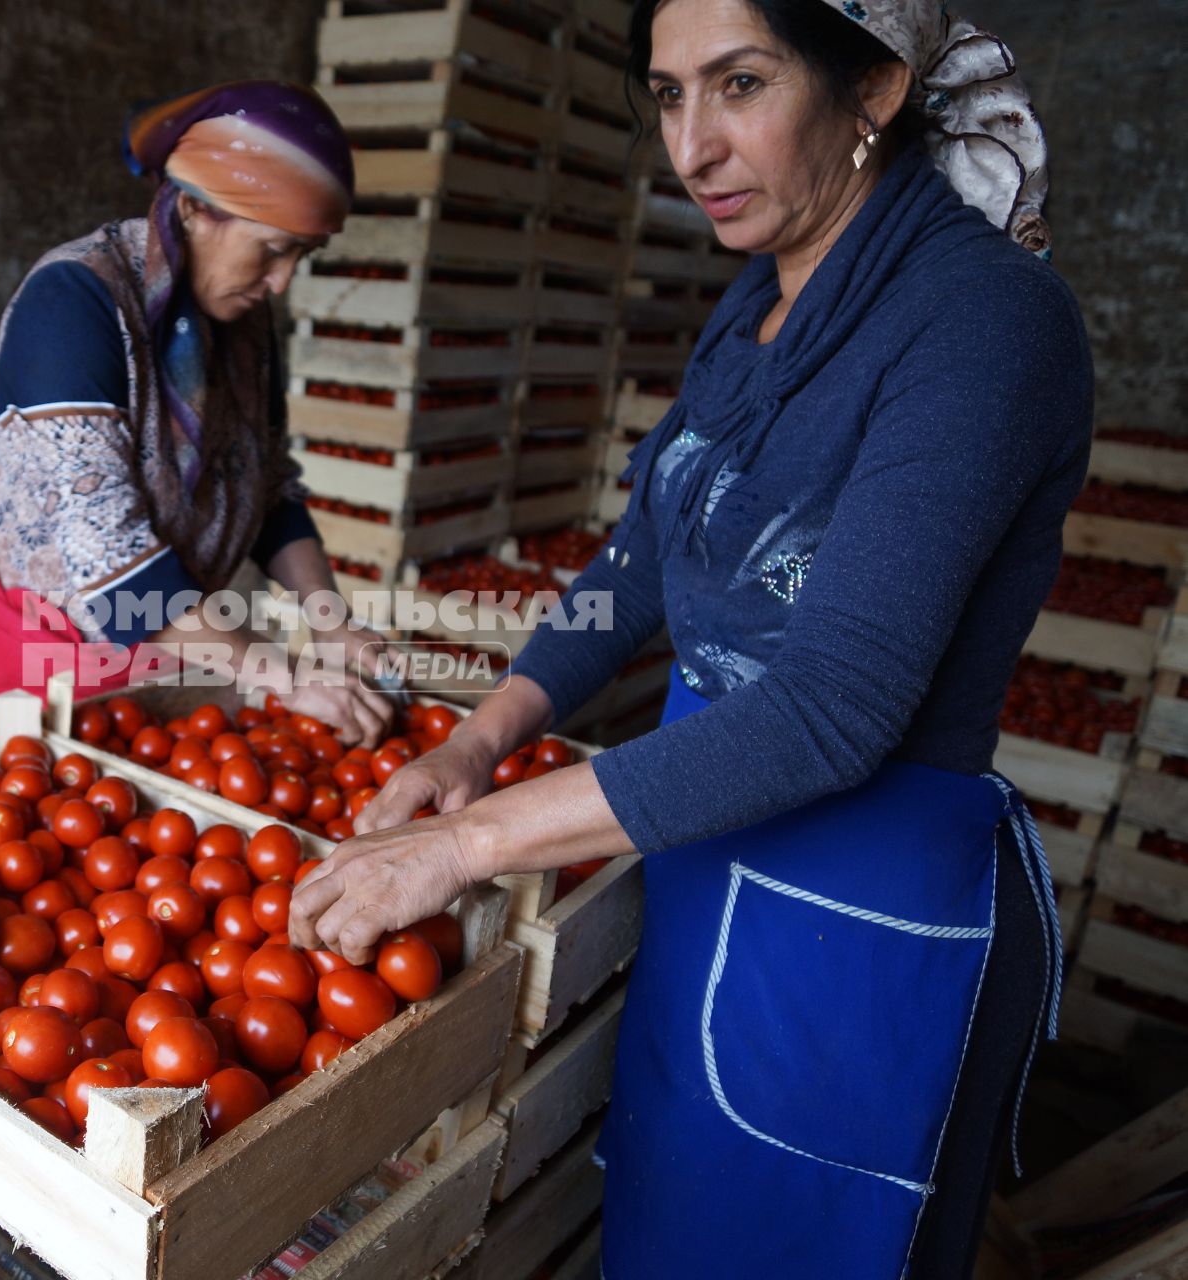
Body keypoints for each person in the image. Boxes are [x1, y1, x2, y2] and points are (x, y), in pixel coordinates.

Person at [290, 0, 1086, 1274]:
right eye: (668, 95)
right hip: (704, 851)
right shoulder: (755, 305)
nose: (693, 146)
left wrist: (467, 841)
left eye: (742, 84)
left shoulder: (984, 325)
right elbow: (640, 561)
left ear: (875, 88)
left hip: (850, 916)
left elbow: (834, 705)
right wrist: (484, 736)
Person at [0, 82, 396, 754]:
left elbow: (268, 486)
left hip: (169, 648)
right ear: (193, 208)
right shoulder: (74, 304)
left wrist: (329, 618)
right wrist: (281, 672)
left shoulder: (242, 322)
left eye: (303, 256)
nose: (282, 282)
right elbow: (111, 560)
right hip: (24, 658)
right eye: (273, 249)